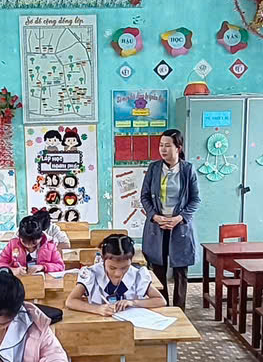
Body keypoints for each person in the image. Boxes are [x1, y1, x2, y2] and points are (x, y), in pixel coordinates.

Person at [140, 129, 200, 308]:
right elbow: (144, 196)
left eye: (167, 146)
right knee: (158, 269)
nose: (163, 149)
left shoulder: (188, 169)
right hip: (157, 226)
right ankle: (162, 307)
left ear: (178, 148)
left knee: (180, 271)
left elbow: (195, 199)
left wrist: (180, 218)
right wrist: (155, 216)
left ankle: (180, 311)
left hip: (179, 227)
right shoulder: (154, 168)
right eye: (161, 145)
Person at [65, 233, 166, 316]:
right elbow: (71, 301)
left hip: (131, 324)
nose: (118, 273)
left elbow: (160, 300)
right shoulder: (92, 273)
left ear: (131, 260)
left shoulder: (137, 275)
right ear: (103, 258)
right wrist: (97, 309)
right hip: (98, 325)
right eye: (112, 268)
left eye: (124, 268)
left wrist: (133, 302)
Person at [0, 215, 66, 274]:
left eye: (34, 243)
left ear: (41, 236)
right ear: (19, 236)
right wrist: (13, 270)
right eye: (24, 242)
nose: (29, 246)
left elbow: (60, 266)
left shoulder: (50, 246)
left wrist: (43, 267)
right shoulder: (13, 244)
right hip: (17, 282)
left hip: (43, 282)